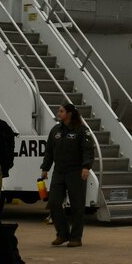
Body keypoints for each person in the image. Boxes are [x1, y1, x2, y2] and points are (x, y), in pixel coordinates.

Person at [40, 102, 95, 248]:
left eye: (61, 111)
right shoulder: (55, 130)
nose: (59, 113)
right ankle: (62, 233)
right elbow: (49, 151)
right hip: (59, 171)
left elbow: (88, 150)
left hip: (75, 172)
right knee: (53, 202)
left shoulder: (81, 130)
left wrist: (86, 167)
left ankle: (76, 237)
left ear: (69, 114)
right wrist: (45, 168)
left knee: (77, 206)